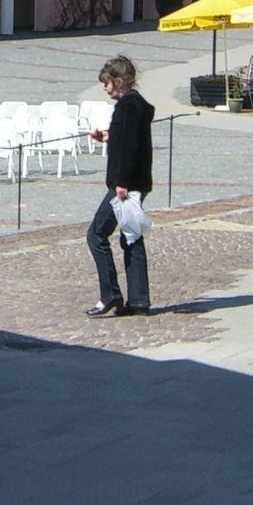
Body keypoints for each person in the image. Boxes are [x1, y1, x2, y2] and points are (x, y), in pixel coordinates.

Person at [85, 55, 154, 317]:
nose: (105, 88)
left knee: (96, 235)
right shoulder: (135, 105)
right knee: (131, 238)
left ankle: (110, 295)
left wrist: (122, 183)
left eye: (107, 83)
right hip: (135, 182)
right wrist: (105, 137)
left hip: (126, 185)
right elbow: (125, 139)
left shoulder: (128, 106)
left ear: (119, 81)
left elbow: (130, 147)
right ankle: (138, 300)